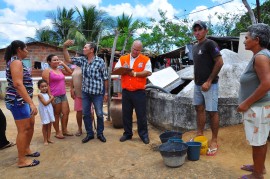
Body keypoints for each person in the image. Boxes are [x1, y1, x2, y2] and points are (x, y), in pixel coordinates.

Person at [237, 23, 270, 179]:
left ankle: (257, 174)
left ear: (256, 40)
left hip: (258, 108)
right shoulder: (261, 55)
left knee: (258, 141)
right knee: (259, 139)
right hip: (259, 108)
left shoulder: (261, 57)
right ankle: (259, 166)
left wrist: (246, 103)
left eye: (247, 37)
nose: (244, 40)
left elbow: (266, 84)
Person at [63, 40, 108, 143]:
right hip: (86, 93)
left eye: (85, 47)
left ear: (91, 50)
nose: (83, 49)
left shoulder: (100, 61)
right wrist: (64, 47)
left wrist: (105, 93)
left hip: (97, 93)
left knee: (100, 114)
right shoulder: (82, 60)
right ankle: (89, 133)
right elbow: (68, 60)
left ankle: (100, 133)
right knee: (86, 113)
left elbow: (105, 78)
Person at [4, 40, 40, 168]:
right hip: (18, 101)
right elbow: (18, 84)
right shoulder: (16, 62)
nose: (27, 51)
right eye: (26, 49)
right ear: (19, 49)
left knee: (30, 125)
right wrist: (31, 103)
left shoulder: (18, 62)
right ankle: (21, 160)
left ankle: (26, 149)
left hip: (23, 100)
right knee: (23, 129)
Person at [192, 20, 224, 155]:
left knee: (212, 112)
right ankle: (199, 134)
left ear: (206, 31)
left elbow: (220, 62)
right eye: (195, 30)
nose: (197, 32)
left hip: (210, 85)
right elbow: (198, 64)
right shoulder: (194, 47)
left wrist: (209, 81)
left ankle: (214, 140)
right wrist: (196, 78)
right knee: (199, 108)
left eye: (200, 29)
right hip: (197, 84)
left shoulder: (210, 44)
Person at [115, 40, 152, 144]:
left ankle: (143, 135)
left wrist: (134, 74)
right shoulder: (123, 58)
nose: (136, 52)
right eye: (134, 49)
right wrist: (123, 69)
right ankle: (127, 133)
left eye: (138, 50)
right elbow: (116, 69)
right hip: (126, 91)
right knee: (126, 114)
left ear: (141, 50)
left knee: (141, 115)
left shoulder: (146, 59)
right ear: (131, 47)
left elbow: (148, 72)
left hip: (139, 92)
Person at [42, 54, 73, 139]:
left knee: (66, 112)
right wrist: (50, 96)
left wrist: (63, 64)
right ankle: (58, 132)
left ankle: (65, 130)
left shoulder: (60, 70)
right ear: (49, 62)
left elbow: (70, 72)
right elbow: (46, 85)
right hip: (54, 96)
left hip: (63, 94)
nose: (56, 61)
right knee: (57, 114)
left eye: (57, 59)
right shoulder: (47, 71)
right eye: (54, 60)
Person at [70, 64, 95, 136]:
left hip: (88, 93)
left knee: (90, 112)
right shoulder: (75, 66)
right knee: (79, 111)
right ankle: (79, 128)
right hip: (78, 93)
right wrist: (71, 88)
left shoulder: (89, 64)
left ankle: (90, 128)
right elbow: (72, 78)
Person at [37, 79, 55, 145]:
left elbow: (52, 103)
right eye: (42, 87)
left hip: (49, 110)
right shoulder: (40, 95)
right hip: (44, 111)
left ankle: (49, 138)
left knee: (50, 124)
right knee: (45, 125)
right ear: (39, 87)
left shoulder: (48, 94)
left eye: (45, 86)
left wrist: (52, 99)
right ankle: (45, 140)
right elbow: (45, 103)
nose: (44, 88)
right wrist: (51, 98)